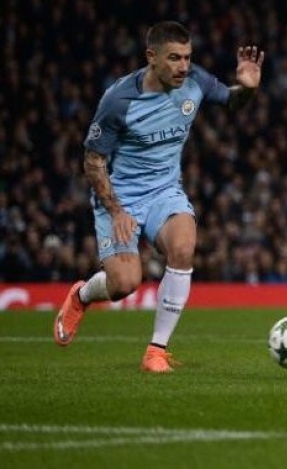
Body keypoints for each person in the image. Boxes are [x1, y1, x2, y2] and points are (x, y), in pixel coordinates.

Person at [53, 20, 264, 372]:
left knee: (183, 247)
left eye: (187, 57)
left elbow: (232, 101)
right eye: (174, 58)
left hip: (164, 191)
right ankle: (82, 295)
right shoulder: (119, 100)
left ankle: (156, 351)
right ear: (151, 57)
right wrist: (116, 211)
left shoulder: (195, 80)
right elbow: (93, 161)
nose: (183, 66)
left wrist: (248, 89)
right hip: (119, 196)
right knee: (124, 284)